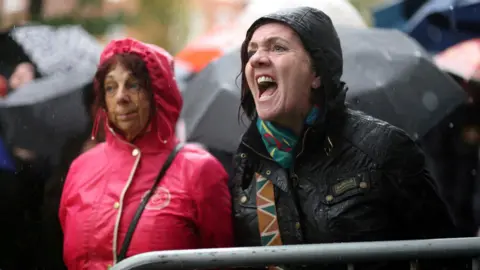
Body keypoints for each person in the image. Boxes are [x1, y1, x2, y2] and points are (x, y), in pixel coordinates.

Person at [230, 7, 468, 270]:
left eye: (278, 48)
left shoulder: (382, 149)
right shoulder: (247, 161)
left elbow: (446, 257)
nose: (256, 60)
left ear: (317, 73)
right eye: (252, 51)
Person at [59, 38, 233, 269]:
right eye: (110, 87)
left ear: (158, 93)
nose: (120, 97)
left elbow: (224, 260)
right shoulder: (81, 168)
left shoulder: (198, 169)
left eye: (133, 85)